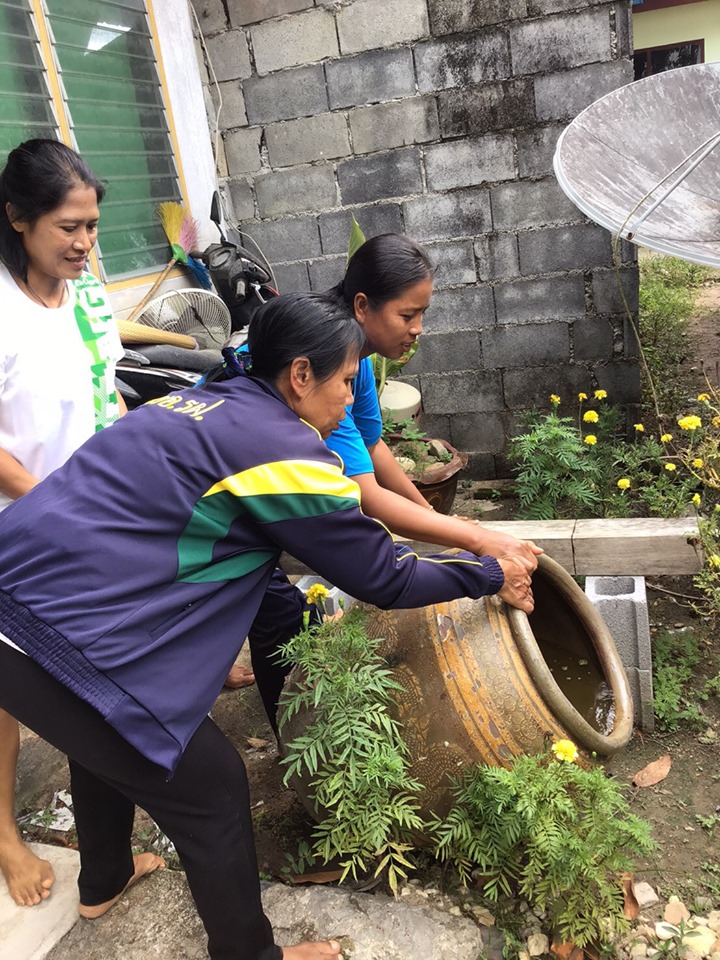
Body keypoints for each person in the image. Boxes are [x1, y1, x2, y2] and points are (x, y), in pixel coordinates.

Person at [0, 292, 533, 960]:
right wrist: (488, 572)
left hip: (15, 592)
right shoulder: (282, 453)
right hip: (39, 627)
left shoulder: (191, 400)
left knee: (100, 731)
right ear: (301, 376)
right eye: (346, 382)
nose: (349, 399)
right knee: (214, 788)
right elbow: (385, 577)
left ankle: (103, 879)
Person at [245, 234, 543, 731]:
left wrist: (432, 521)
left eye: (422, 314)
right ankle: (292, 743)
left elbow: (370, 447)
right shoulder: (322, 369)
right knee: (280, 614)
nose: (417, 330)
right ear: (363, 306)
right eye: (408, 315)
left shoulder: (352, 362)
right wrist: (475, 540)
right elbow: (365, 497)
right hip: (246, 495)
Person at [0, 138, 127, 907]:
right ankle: (6, 837)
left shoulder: (87, 297)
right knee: (7, 694)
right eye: (68, 227)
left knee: (86, 674)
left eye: (92, 227)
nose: (84, 243)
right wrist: (47, 501)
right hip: (17, 528)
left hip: (83, 524)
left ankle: (107, 856)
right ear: (17, 218)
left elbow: (104, 396)